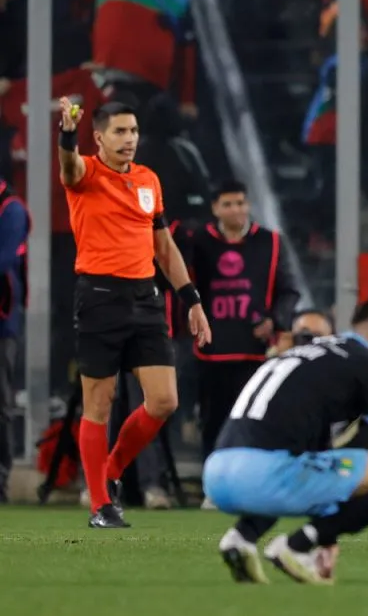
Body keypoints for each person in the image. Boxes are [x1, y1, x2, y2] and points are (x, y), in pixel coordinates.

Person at [58, 97, 212, 528]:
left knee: (164, 401)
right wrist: (66, 134)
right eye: (120, 132)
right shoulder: (85, 172)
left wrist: (192, 299)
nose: (129, 140)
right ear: (100, 137)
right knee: (99, 404)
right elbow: (68, 167)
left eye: (134, 131)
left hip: (146, 299)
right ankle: (99, 506)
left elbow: (164, 247)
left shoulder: (149, 180)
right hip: (99, 297)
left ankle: (107, 474)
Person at [205, 298, 368, 585]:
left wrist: (328, 535)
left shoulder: (309, 354)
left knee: (305, 466)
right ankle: (296, 547)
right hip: (263, 476)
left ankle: (241, 539)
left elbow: (316, 450)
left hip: (217, 474)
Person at [183, 179, 300, 485]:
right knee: (212, 420)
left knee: (254, 419)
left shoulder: (271, 242)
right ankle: (213, 483)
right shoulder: (199, 243)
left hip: (255, 349)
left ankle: (253, 482)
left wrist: (276, 322)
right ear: (215, 209)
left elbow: (288, 290)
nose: (236, 210)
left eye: (240, 203)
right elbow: (183, 287)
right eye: (228, 204)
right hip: (212, 347)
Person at [0, 178, 28, 502]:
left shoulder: (12, 209)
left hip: (2, 324)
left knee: (1, 405)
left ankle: (1, 481)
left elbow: (4, 258)